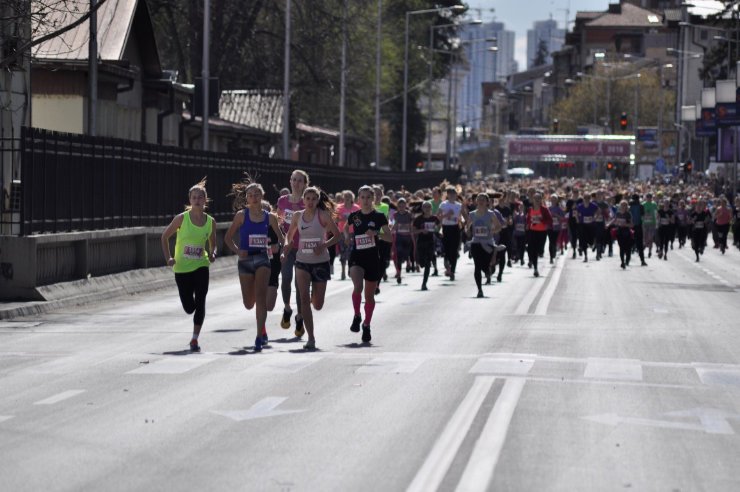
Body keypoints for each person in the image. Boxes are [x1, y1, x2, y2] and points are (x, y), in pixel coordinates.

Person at [225, 180, 284, 352]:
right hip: (245, 260)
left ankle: (259, 335)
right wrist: (237, 251)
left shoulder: (270, 217)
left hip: (262, 259)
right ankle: (260, 330)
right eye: (250, 195)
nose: (254, 197)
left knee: (260, 297)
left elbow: (282, 238)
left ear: (262, 195)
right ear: (246, 199)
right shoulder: (241, 216)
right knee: (248, 303)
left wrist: (279, 248)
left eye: (257, 194)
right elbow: (228, 238)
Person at [160, 179, 217, 352]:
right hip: (182, 268)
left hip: (201, 265)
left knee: (201, 302)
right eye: (194, 197)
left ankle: (194, 339)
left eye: (200, 197)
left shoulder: (210, 222)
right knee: (189, 307)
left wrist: (213, 253)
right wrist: (168, 258)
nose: (197, 200)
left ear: (205, 200)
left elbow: (213, 244)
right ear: (190, 200)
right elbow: (164, 237)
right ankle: (191, 313)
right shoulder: (181, 219)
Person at [285, 187, 341, 350]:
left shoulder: (322, 216)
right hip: (302, 262)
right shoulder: (297, 216)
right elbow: (290, 235)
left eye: (313, 199)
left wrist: (323, 245)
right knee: (303, 299)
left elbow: (336, 235)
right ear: (303, 199)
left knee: (318, 304)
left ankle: (311, 299)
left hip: (320, 262)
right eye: (307, 198)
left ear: (317, 201)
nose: (310, 202)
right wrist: (287, 248)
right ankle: (311, 338)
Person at [345, 185, 392, 343]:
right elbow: (346, 227)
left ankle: (366, 324)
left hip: (373, 258)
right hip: (357, 257)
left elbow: (389, 237)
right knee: (358, 286)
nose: (365, 200)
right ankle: (357, 315)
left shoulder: (379, 216)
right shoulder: (354, 216)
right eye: (362, 197)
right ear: (358, 199)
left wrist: (376, 233)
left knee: (369, 296)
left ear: (373, 199)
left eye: (368, 197)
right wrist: (347, 236)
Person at [277, 170, 308, 333]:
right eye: (294, 180)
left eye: (300, 181)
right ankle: (287, 308)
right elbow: (279, 224)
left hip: (303, 248)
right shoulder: (282, 201)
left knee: (300, 285)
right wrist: (281, 241)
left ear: (304, 184)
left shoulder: (308, 202)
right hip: (287, 247)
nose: (296, 183)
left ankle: (300, 317)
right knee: (286, 278)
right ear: (290, 181)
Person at [466, 193, 505, 297]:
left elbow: (499, 227)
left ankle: (488, 271)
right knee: (477, 266)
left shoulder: (491, 214)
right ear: (476, 201)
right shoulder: (472, 214)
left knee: (486, 264)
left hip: (488, 243)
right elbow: (467, 226)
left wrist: (493, 230)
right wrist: (468, 231)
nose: (481, 201)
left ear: (487, 202)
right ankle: (479, 289)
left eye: (483, 199)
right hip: (476, 243)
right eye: (479, 199)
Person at [437, 186, 465, 281]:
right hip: (446, 228)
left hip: (455, 228)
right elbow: (438, 217)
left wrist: (463, 221)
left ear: (456, 195)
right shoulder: (443, 204)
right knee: (447, 250)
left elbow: (463, 217)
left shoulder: (459, 205)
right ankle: (447, 266)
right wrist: (446, 215)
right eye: (450, 193)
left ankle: (452, 271)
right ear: (447, 195)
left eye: (454, 193)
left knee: (454, 251)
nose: (452, 195)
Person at [413, 201, 440, 291]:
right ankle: (421, 263)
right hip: (421, 242)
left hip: (430, 242)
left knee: (428, 263)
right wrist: (421, 230)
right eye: (425, 207)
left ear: (431, 208)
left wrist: (437, 230)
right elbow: (413, 231)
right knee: (422, 263)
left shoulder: (434, 218)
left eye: (429, 207)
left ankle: (424, 283)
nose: (427, 209)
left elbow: (439, 227)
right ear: (422, 209)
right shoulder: (418, 219)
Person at [526, 192, 553, 277]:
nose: (537, 200)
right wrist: (527, 224)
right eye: (535, 199)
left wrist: (542, 220)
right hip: (533, 231)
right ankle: (535, 268)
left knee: (540, 250)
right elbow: (528, 219)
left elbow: (550, 220)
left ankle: (539, 252)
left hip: (542, 232)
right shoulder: (530, 209)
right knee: (534, 250)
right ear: (532, 200)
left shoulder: (544, 209)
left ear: (541, 200)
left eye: (538, 199)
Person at [335, 190, 360, 280]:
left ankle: (350, 269)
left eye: (349, 197)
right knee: (343, 252)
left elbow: (358, 222)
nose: (347, 199)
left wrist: (352, 219)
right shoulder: (339, 208)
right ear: (343, 198)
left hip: (353, 233)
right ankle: (343, 271)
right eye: (345, 197)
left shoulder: (356, 208)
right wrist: (342, 218)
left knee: (351, 252)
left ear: (352, 198)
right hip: (342, 233)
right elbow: (335, 220)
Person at [392, 197, 414, 284]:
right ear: (397, 206)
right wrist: (391, 230)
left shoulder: (409, 215)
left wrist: (412, 232)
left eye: (403, 206)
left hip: (407, 237)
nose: (401, 207)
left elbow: (411, 225)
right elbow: (393, 225)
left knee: (406, 254)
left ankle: (408, 262)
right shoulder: (395, 215)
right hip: (399, 237)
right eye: (400, 206)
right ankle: (399, 274)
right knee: (399, 256)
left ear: (406, 206)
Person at [609, 199, 634, 269]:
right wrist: (608, 224)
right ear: (620, 206)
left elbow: (632, 225)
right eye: (622, 205)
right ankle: (622, 262)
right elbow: (614, 220)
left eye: (625, 205)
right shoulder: (618, 213)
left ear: (626, 206)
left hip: (627, 233)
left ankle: (627, 260)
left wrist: (625, 224)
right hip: (619, 232)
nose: (623, 207)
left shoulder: (628, 214)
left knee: (628, 249)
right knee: (621, 248)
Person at [642, 193, 658, 259]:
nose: (649, 198)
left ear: (651, 198)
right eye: (648, 197)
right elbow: (641, 213)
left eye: (650, 197)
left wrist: (657, 223)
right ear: (646, 198)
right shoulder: (643, 204)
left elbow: (656, 213)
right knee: (645, 238)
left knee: (650, 238)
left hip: (652, 223)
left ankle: (650, 251)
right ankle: (645, 246)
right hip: (645, 223)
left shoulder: (654, 204)